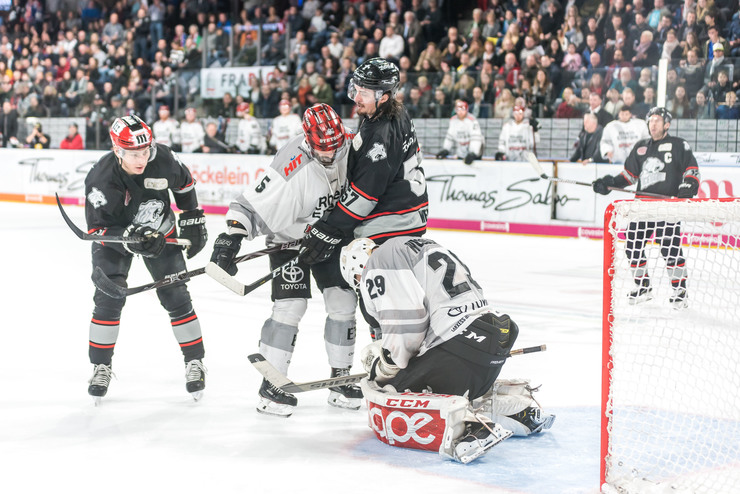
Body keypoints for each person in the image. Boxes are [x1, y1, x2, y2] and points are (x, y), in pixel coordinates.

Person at [340, 237, 555, 463]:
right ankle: (519, 411)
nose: (361, 283)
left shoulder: (378, 262)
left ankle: (468, 430)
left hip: (460, 343)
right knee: (457, 389)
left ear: (358, 265)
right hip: (494, 334)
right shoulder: (417, 246)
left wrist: (386, 366)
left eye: (357, 279)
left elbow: (407, 324)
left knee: (394, 390)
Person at [209, 104, 360, 417]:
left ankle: (341, 378)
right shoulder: (291, 165)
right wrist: (231, 239)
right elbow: (249, 205)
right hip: (289, 241)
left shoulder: (349, 143)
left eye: (335, 146)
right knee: (291, 306)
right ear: (308, 140)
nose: (330, 154)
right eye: (323, 148)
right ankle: (272, 384)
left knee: (343, 301)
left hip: (330, 236)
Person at [297, 57, 428, 341]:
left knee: (373, 292)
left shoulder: (381, 134)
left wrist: (328, 229)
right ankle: (392, 346)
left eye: (364, 93)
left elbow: (365, 195)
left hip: (391, 224)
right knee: (390, 295)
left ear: (384, 96)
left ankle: (388, 350)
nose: (356, 97)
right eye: (355, 89)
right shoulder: (388, 114)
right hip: (407, 218)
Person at [84, 115, 209, 404]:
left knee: (177, 296)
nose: (142, 159)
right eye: (133, 154)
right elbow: (97, 231)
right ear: (117, 150)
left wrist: (191, 216)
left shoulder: (163, 158)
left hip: (160, 231)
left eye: (145, 151)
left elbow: (185, 184)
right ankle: (100, 366)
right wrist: (130, 237)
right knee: (108, 299)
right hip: (117, 239)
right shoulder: (101, 178)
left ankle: (195, 361)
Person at [592, 107, 700, 308]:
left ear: (667, 124)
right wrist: (609, 183)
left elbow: (692, 170)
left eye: (658, 120)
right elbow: (629, 176)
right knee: (632, 245)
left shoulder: (679, 145)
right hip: (642, 207)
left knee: (669, 248)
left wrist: (689, 185)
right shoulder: (641, 147)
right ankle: (643, 287)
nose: (653, 123)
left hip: (667, 207)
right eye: (651, 120)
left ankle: (680, 291)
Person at [435, 99, 484, 165]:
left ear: (466, 110)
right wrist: (446, 149)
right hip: (461, 151)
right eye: (458, 109)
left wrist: (473, 153)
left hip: (473, 154)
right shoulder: (453, 121)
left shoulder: (472, 121)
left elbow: (476, 138)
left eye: (463, 109)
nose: (460, 112)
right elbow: (449, 137)